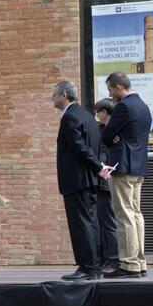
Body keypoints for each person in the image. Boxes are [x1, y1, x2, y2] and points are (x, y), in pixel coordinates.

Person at [52, 80, 105, 281]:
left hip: (77, 180)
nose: (52, 98)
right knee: (91, 223)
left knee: (81, 224)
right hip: (88, 179)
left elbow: (79, 147)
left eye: (54, 95)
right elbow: (94, 146)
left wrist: (98, 167)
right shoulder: (86, 116)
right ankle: (94, 267)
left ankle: (87, 267)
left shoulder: (70, 117)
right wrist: (98, 167)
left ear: (64, 95)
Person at [100, 72, 152, 278]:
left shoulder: (123, 106)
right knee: (136, 214)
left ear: (119, 88)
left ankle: (129, 264)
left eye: (111, 90)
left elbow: (106, 135)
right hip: (138, 167)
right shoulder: (143, 107)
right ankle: (140, 262)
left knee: (124, 216)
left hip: (122, 167)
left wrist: (110, 133)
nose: (111, 95)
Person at [94, 98, 120, 272]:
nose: (96, 116)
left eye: (98, 113)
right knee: (105, 222)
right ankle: (107, 258)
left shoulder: (113, 132)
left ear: (104, 112)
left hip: (108, 181)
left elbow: (103, 155)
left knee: (109, 222)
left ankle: (112, 259)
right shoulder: (104, 131)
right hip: (107, 181)